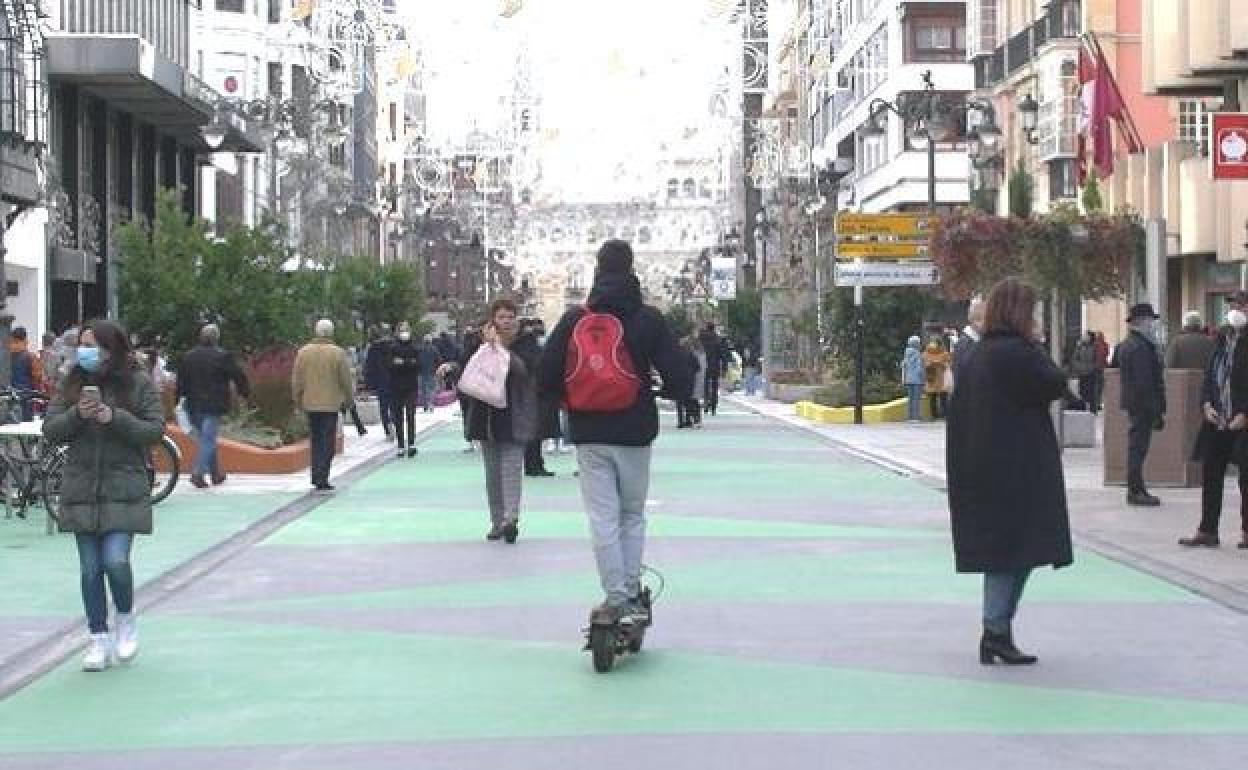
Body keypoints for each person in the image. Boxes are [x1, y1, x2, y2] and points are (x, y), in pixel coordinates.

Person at [539, 239, 692, 623]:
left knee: (602, 517)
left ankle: (615, 597)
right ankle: (630, 591)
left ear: (598, 268)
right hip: (635, 428)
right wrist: (671, 391)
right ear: (631, 268)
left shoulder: (576, 319)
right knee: (631, 515)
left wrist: (564, 399)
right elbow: (678, 371)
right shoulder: (646, 319)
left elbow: (545, 370)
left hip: (588, 430)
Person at [947, 278, 1072, 666]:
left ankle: (997, 631)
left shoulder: (978, 353)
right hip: (1017, 471)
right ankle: (996, 631)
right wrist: (1036, 341)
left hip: (985, 469)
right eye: (1032, 311)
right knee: (1013, 553)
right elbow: (1055, 381)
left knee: (1008, 552)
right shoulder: (1017, 352)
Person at [43, 320, 165, 672]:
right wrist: (76, 415)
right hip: (82, 488)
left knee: (115, 561)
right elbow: (51, 430)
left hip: (123, 487)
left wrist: (115, 418)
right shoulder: (71, 384)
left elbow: (154, 430)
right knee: (90, 569)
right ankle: (98, 636)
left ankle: (125, 616)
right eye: (82, 344)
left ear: (113, 349)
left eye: (93, 345)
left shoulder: (138, 383)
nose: (86, 351)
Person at [462, 299, 539, 543]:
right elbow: (467, 366)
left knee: (512, 470)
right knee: (492, 474)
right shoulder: (479, 340)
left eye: (509, 316)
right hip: (486, 417)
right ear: (493, 318)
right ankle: (496, 521)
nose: (505, 321)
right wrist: (452, 366)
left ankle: (510, 519)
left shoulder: (526, 343)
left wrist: (499, 349)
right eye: (501, 316)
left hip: (514, 415)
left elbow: (524, 370)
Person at [1181, 294, 1248, 549]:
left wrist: (1245, 413)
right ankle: (1207, 530)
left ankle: (1246, 531)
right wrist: (1206, 403)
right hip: (1218, 418)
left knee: (1246, 476)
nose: (1235, 311)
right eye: (1232, 306)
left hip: (1242, 420)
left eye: (1241, 306)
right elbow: (1210, 376)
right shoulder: (1221, 338)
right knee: (1211, 473)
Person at [175, 324, 249, 488]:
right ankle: (198, 473)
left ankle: (216, 474)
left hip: (193, 405)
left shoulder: (189, 356)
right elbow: (238, 375)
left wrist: (179, 401)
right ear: (216, 338)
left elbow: (181, 382)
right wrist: (245, 393)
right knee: (208, 440)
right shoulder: (222, 356)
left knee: (206, 439)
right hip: (213, 405)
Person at [1114, 303, 1167, 507]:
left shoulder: (1131, 344)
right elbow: (1145, 382)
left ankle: (1138, 487)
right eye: (1151, 320)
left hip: (1136, 403)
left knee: (1137, 447)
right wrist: (1156, 411)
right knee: (1137, 448)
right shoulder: (1139, 347)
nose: (1153, 324)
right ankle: (1135, 490)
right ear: (1141, 322)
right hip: (1142, 405)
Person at [292, 320, 354, 493]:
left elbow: (297, 379)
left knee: (316, 439)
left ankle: (316, 474)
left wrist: (297, 398)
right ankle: (322, 476)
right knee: (327, 441)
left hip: (310, 403)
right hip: (330, 404)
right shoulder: (337, 354)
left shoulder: (303, 353)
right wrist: (349, 398)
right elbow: (345, 379)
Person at [516, 319, 557, 477]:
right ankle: (534, 465)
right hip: (534, 394)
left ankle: (534, 464)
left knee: (534, 434)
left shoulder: (521, 346)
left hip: (530, 394)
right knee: (535, 434)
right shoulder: (532, 348)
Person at [386, 322, 422, 459]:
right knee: (398, 417)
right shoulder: (392, 347)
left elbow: (418, 365)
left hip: (411, 386)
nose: (404, 333)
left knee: (411, 415)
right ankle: (401, 445)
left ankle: (411, 444)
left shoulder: (415, 347)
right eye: (402, 330)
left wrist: (402, 363)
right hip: (395, 387)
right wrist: (408, 363)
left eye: (406, 330)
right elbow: (390, 365)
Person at [363, 325, 395, 440]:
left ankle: (388, 430)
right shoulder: (394, 347)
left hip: (381, 382)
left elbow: (369, 367)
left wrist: (369, 384)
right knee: (394, 406)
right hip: (394, 382)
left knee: (383, 407)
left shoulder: (373, 349)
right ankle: (395, 424)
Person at [457, 325, 482, 453]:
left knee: (469, 413)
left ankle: (472, 439)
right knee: (470, 412)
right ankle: (473, 439)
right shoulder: (471, 350)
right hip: (470, 386)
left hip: (470, 386)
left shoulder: (471, 350)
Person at [8, 326, 43, 419]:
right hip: (26, 396)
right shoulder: (31, 357)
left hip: (8, 396)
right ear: (25, 339)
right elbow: (38, 377)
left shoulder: (6, 356)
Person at [952, 299, 984, 385]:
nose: (983, 323)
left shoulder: (982, 340)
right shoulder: (965, 344)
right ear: (971, 319)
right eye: (978, 319)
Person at [1069, 331, 1100, 413]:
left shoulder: (1094, 347)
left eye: (1086, 336)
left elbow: (1097, 360)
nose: (1084, 337)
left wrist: (1092, 368)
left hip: (1091, 374)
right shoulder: (1079, 347)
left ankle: (1093, 411)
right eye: (1083, 336)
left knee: (1091, 393)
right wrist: (1079, 367)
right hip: (1081, 374)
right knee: (1082, 392)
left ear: (1090, 337)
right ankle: (1083, 410)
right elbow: (1074, 359)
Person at [676, 336, 703, 429]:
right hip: (690, 380)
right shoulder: (692, 355)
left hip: (679, 380)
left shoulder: (677, 355)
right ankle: (689, 419)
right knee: (688, 400)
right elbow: (698, 368)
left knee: (679, 401)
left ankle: (681, 421)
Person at [698, 322, 724, 416]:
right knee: (714, 386)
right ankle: (713, 407)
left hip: (704, 365)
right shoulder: (718, 340)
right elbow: (722, 354)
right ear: (713, 328)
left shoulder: (702, 339)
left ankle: (706, 404)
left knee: (705, 386)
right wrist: (724, 366)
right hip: (715, 366)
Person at [923, 339, 952, 419]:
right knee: (942, 397)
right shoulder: (944, 353)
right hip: (940, 378)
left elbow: (925, 363)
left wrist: (933, 362)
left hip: (932, 377)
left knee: (933, 398)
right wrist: (940, 363)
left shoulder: (926, 353)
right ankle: (944, 415)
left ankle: (934, 415)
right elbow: (948, 363)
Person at [416, 333, 442, 414]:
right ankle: (431, 404)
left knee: (423, 390)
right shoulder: (434, 349)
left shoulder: (419, 349)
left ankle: (425, 406)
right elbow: (439, 360)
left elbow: (417, 361)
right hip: (432, 371)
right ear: (431, 340)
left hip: (421, 372)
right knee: (432, 389)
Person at [901, 336, 924, 422]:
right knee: (916, 399)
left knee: (910, 398)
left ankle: (909, 416)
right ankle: (916, 416)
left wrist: (904, 378)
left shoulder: (906, 353)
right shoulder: (918, 354)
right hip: (917, 380)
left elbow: (904, 365)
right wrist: (922, 377)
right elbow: (919, 368)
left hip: (908, 379)